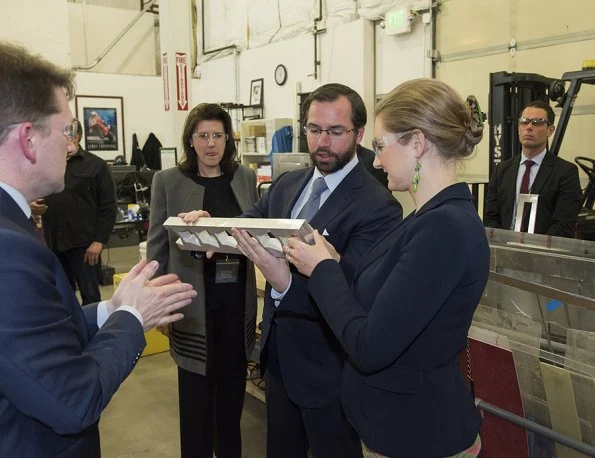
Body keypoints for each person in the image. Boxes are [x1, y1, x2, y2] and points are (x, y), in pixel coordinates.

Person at [0, 41, 196, 457]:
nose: (71, 144)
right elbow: (72, 401)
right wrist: (131, 318)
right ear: (28, 139)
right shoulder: (9, 251)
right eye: (67, 130)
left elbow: (31, 339)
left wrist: (109, 310)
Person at [284, 79, 489, 457]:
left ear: (417, 142)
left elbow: (370, 346)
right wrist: (334, 264)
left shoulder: (442, 229)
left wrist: (325, 270)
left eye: (380, 145)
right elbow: (381, 304)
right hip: (395, 432)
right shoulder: (424, 221)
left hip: (420, 437)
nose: (375, 160)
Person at [214, 83, 403, 458]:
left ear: (359, 134)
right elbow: (249, 220)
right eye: (314, 130)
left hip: (330, 368)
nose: (322, 142)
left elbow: (353, 292)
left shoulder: (378, 207)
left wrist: (283, 282)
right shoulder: (289, 185)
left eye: (335, 132)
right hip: (280, 358)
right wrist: (209, 225)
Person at [147, 103, 258, 458]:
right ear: (190, 140)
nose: (211, 144)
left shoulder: (245, 178)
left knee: (231, 405)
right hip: (193, 308)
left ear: (228, 140)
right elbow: (156, 250)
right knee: (195, 409)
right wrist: (160, 305)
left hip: (235, 304)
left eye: (218, 136)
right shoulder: (167, 181)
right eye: (203, 136)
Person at [41, 118, 118, 304]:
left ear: (78, 136)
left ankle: (92, 333)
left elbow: (108, 207)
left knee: (90, 296)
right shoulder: (48, 163)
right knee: (61, 297)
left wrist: (99, 242)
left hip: (84, 246)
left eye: (70, 134)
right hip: (54, 244)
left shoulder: (96, 166)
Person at [484, 100, 582, 237]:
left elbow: (563, 223)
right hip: (505, 248)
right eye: (524, 122)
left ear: (550, 130)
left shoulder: (565, 172)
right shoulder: (502, 170)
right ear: (518, 127)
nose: (529, 127)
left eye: (537, 122)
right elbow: (491, 217)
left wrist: (535, 250)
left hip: (543, 251)